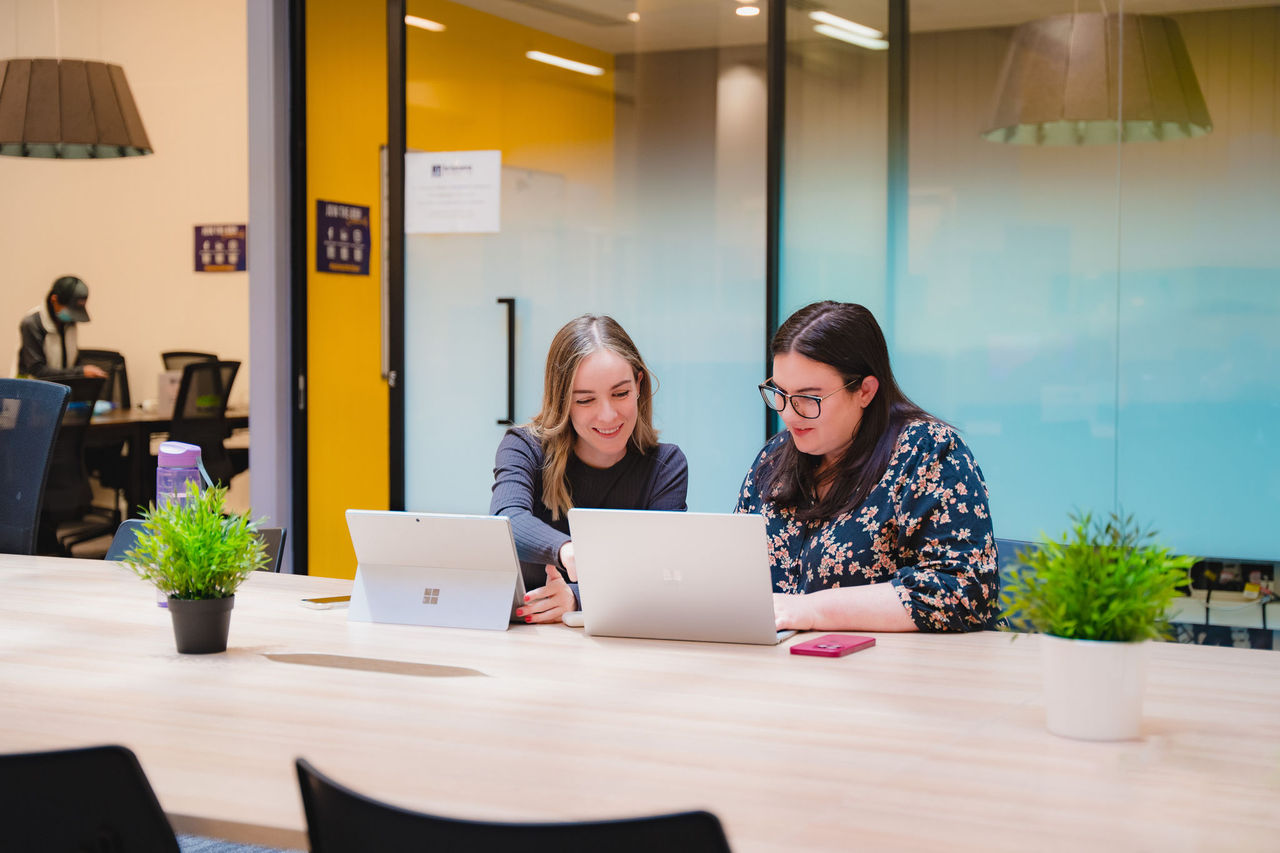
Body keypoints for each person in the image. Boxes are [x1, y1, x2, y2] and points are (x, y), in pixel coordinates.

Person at [737, 301, 998, 633]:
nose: (788, 413)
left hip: (894, 672)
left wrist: (812, 610)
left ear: (865, 390)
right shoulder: (775, 458)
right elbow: (737, 570)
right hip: (780, 667)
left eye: (809, 398)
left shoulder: (928, 453)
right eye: (780, 394)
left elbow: (960, 592)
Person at [491, 314, 689, 624]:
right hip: (524, 644)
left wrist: (575, 597)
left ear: (638, 385)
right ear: (562, 401)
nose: (607, 415)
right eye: (585, 400)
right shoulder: (524, 447)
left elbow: (660, 574)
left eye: (620, 394)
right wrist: (567, 550)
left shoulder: (666, 467)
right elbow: (506, 521)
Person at [15, 276, 107, 380]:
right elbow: (37, 370)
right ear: (54, 300)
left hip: (61, 389)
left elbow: (71, 360)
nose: (72, 317)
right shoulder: (32, 323)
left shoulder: (69, 322)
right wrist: (80, 372)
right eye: (70, 310)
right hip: (31, 390)